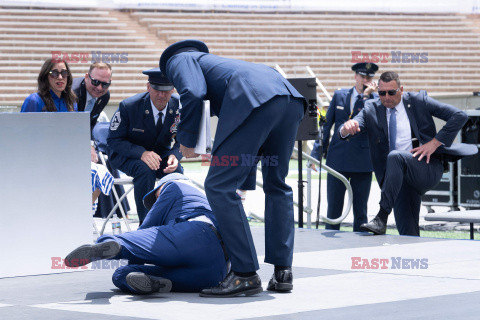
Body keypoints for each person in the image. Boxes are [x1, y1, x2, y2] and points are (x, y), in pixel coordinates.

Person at [159, 40, 306, 297]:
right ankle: (284, 271)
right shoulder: (218, 66)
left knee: (217, 186)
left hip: (255, 100)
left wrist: (186, 140)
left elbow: (191, 92)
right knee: (276, 184)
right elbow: (246, 139)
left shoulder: (179, 60)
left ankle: (245, 273)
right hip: (290, 97)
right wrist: (243, 180)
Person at [341, 71, 475, 236]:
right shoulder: (372, 108)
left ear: (401, 89)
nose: (386, 97)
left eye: (391, 92)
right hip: (396, 179)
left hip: (426, 168)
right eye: (382, 93)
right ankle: (411, 256)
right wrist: (346, 128)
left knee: (396, 156)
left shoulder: (418, 101)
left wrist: (434, 143)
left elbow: (459, 116)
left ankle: (382, 216)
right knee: (407, 232)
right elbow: (353, 124)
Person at [64, 173, 229, 294]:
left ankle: (107, 244)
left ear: (163, 186)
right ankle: (154, 283)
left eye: (156, 196)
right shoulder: (209, 202)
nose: (156, 202)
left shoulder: (174, 186)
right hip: (215, 272)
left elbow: (147, 228)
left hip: (192, 235)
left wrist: (133, 251)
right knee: (121, 274)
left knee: (120, 242)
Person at [20, 58, 113, 210]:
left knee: (101, 172)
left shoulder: (71, 102)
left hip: (66, 158)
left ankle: (79, 212)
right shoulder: (34, 100)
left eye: (64, 73)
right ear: (46, 76)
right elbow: (23, 137)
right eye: (54, 73)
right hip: (40, 161)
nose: (60, 77)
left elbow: (75, 134)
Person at [107, 68, 183, 224]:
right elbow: (114, 140)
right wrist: (141, 153)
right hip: (127, 155)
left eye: (166, 90)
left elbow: (183, 139)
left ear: (173, 89)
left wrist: (175, 155)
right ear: (148, 87)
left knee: (177, 171)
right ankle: (147, 224)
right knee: (145, 170)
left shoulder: (179, 107)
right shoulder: (129, 106)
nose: (161, 95)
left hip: (159, 154)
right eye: (156, 89)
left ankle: (174, 220)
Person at [312, 62, 378, 232]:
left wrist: (366, 96)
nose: (365, 80)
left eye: (369, 78)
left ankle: (359, 246)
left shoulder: (376, 100)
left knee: (360, 211)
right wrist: (316, 154)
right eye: (363, 77)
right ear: (355, 76)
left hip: (362, 161)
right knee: (333, 209)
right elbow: (326, 126)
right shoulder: (340, 95)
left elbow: (366, 120)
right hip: (338, 160)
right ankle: (330, 247)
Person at [72, 62, 112, 163]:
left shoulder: (104, 96)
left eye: (105, 84)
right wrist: (88, 146)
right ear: (86, 77)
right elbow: (72, 125)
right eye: (95, 82)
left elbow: (91, 122)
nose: (99, 88)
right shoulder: (73, 93)